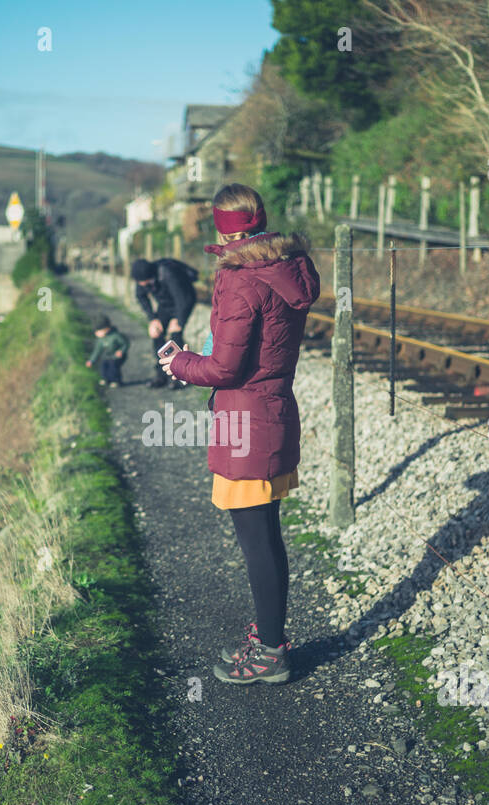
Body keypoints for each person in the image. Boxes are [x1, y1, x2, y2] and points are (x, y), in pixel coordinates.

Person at [160, 184, 320, 685]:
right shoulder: (289, 266)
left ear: (221, 228)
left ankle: (272, 652)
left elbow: (226, 366)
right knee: (267, 537)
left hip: (245, 423)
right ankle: (270, 636)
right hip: (272, 412)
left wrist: (178, 363)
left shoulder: (239, 279)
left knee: (257, 543)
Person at [132, 256, 197, 389]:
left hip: (184, 300)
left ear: (151, 275)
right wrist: (153, 319)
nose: (143, 285)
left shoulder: (167, 273)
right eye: (141, 283)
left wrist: (179, 320)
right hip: (165, 304)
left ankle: (180, 377)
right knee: (156, 334)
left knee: (175, 336)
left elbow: (182, 299)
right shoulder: (141, 278)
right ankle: (161, 375)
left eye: (145, 282)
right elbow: (141, 296)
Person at [85, 315, 129, 387]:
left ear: (107, 329)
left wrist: (121, 351)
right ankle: (106, 379)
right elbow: (97, 351)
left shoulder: (115, 336)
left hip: (117, 356)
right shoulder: (100, 340)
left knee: (113, 366)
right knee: (103, 365)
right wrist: (91, 360)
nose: (96, 333)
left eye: (99, 331)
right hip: (107, 356)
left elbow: (125, 343)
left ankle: (116, 380)